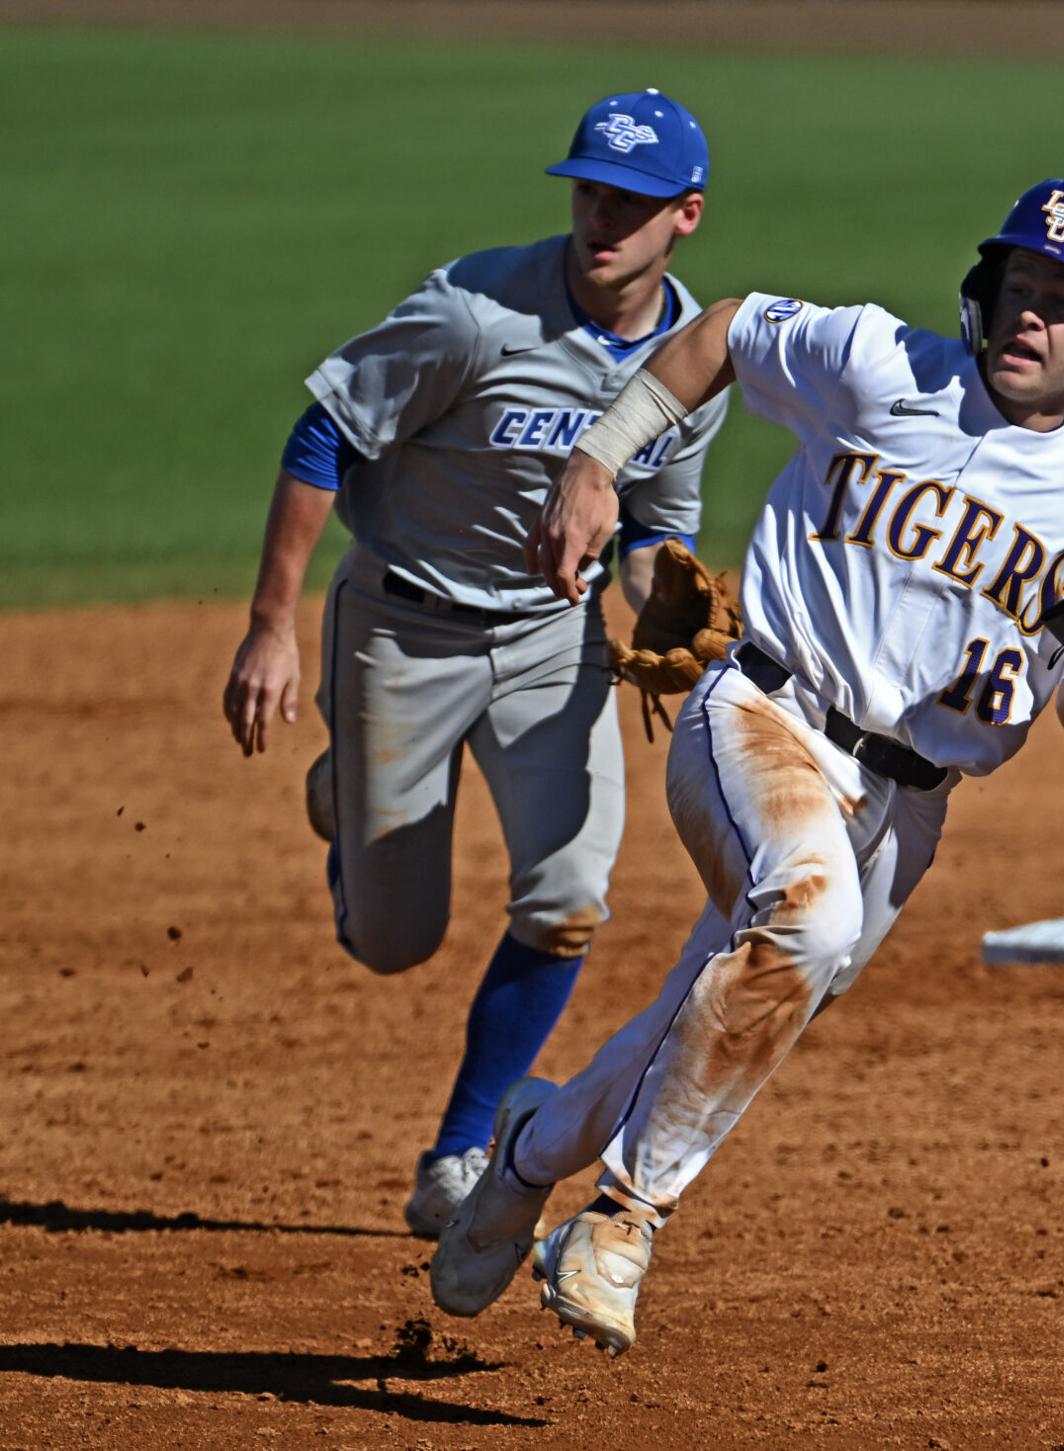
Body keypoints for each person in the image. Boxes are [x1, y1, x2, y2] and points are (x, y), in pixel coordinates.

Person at [428, 177, 1064, 1355]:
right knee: (809, 922)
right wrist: (597, 461)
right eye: (1021, 286)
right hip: (764, 714)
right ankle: (621, 1222)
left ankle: (528, 1149)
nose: (1032, 315)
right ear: (985, 289)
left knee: (718, 1012)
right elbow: (724, 330)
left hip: (907, 812)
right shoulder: (887, 365)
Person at [220, 89, 729, 1238]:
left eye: (635, 203)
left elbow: (651, 529)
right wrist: (270, 624)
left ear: (685, 216)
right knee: (392, 942)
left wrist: (657, 607)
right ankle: (348, 793)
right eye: (591, 190)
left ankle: (457, 1151)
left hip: (553, 641)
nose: (604, 218)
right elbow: (326, 432)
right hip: (404, 622)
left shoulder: (690, 361)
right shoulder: (473, 312)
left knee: (567, 899)